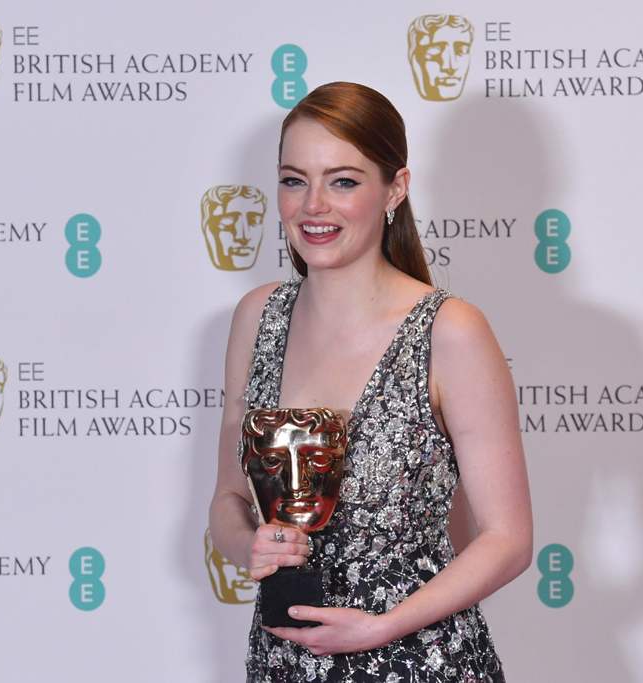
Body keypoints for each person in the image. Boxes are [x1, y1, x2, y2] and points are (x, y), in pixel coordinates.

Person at [208, 82, 532, 681]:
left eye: (344, 181)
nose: (313, 206)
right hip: (284, 662)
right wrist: (249, 547)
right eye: (293, 179)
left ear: (396, 188)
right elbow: (228, 501)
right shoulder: (257, 318)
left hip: (420, 661)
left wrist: (381, 627)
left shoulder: (449, 330)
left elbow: (508, 538)